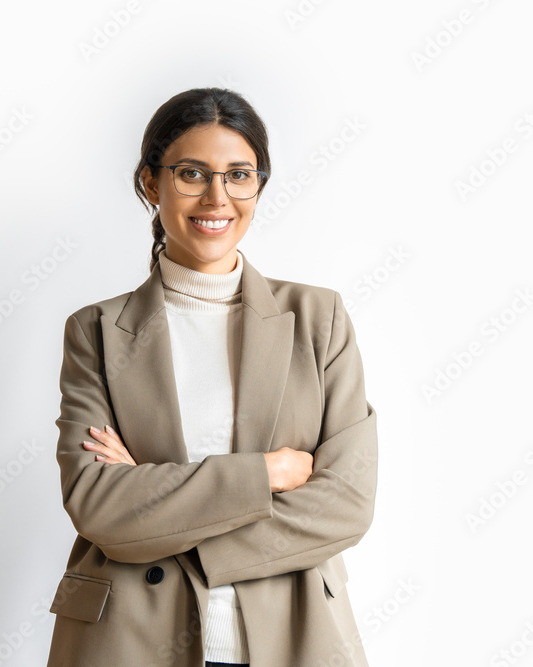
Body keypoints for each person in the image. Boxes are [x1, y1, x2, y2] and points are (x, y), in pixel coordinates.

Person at [46, 87, 378, 667]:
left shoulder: (318, 319)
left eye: (238, 175)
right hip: (129, 642)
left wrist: (157, 504)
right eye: (192, 173)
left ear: (258, 186)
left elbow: (346, 503)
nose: (217, 197)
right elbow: (100, 507)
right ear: (151, 183)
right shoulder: (96, 331)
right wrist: (265, 474)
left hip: (294, 638)